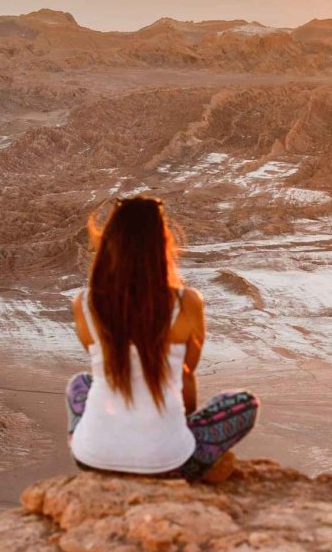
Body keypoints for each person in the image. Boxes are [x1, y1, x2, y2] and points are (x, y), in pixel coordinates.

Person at [66, 195, 258, 482]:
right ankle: (181, 459)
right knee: (244, 403)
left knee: (80, 384)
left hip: (92, 460)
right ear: (163, 245)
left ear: (108, 244)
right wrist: (178, 427)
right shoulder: (187, 303)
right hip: (170, 463)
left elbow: (106, 366)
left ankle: (105, 450)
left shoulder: (84, 304)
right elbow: (185, 377)